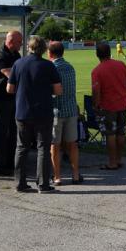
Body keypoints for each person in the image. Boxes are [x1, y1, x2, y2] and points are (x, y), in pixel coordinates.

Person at [7, 37, 62, 193]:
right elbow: (58, 90)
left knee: (21, 148)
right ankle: (43, 184)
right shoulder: (48, 66)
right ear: (44, 49)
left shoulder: (18, 64)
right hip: (43, 112)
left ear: (29, 47)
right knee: (43, 148)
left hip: (23, 112)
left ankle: (20, 182)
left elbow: (9, 89)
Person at [91, 42, 126, 170]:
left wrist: (96, 105)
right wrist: (123, 92)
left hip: (108, 106)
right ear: (110, 52)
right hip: (123, 104)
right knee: (121, 133)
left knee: (110, 134)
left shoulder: (97, 71)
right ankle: (119, 159)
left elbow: (96, 91)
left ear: (97, 54)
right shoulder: (121, 64)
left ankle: (112, 162)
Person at [48, 41, 82, 185]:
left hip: (56, 111)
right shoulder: (70, 67)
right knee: (72, 144)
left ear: (50, 53)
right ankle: (75, 175)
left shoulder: (51, 68)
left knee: (55, 145)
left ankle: (57, 176)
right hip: (71, 110)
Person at [0, 30, 22, 176]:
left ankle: (10, 163)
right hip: (1, 99)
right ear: (11, 41)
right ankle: (1, 166)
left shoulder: (16, 54)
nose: (21, 44)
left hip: (13, 99)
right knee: (1, 133)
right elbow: (9, 74)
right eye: (19, 42)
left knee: (13, 132)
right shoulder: (0, 55)